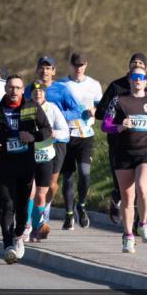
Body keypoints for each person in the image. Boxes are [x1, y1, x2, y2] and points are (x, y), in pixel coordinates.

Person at [0, 75, 52, 264]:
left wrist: (32, 136)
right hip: (5, 163)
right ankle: (9, 244)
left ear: (22, 90)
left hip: (26, 163)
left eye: (18, 88)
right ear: (6, 89)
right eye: (11, 87)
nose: (14, 91)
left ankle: (19, 235)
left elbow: (47, 130)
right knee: (7, 203)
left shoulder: (31, 107)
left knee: (21, 205)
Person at [101, 64, 147, 253]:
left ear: (146, 81)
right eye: (134, 77)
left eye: (141, 77)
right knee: (127, 197)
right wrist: (119, 127)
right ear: (129, 79)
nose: (138, 80)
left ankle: (143, 223)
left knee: (143, 188)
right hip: (124, 152)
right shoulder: (119, 100)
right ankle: (128, 236)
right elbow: (105, 125)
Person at [23, 56, 84, 232]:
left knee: (51, 182)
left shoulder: (61, 89)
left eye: (48, 68)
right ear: (37, 70)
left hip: (57, 141)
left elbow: (77, 110)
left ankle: (45, 208)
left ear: (54, 71)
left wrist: (57, 121)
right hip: (36, 143)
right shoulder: (29, 90)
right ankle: (34, 218)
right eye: (41, 68)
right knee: (33, 184)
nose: (45, 71)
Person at [98, 52, 147, 223]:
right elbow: (101, 113)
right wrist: (119, 121)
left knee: (142, 185)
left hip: (143, 143)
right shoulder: (116, 86)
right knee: (124, 186)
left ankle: (137, 223)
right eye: (133, 62)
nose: (137, 65)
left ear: (146, 68)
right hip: (119, 142)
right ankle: (116, 197)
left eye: (140, 63)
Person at [58, 52, 103, 229]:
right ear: (70, 65)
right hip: (67, 134)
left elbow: (101, 105)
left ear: (86, 65)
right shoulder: (61, 84)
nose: (79, 69)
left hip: (86, 135)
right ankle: (69, 214)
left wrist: (94, 110)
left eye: (82, 65)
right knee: (68, 177)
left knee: (84, 173)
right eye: (76, 65)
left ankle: (81, 205)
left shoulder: (94, 84)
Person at [25, 79, 69, 241]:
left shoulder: (52, 108)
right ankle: (26, 225)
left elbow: (65, 132)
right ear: (30, 94)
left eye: (41, 91)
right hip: (28, 155)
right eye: (35, 91)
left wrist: (54, 134)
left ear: (45, 93)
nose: (38, 93)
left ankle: (38, 227)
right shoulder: (26, 109)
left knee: (42, 194)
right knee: (30, 191)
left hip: (46, 154)